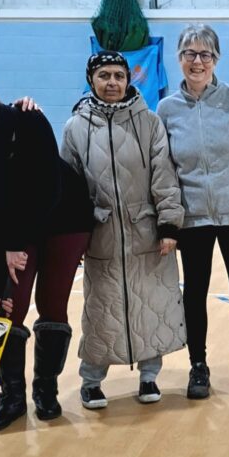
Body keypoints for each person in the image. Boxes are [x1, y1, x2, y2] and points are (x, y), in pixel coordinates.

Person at [0, 60, 94, 430]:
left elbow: (48, 191)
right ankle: (11, 397)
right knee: (6, 311)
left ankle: (46, 389)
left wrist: (16, 242)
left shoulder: (28, 121)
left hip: (65, 220)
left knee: (52, 305)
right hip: (15, 235)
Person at [60, 52, 185, 409]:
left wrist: (169, 224)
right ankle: (91, 381)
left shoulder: (149, 122)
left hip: (146, 234)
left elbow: (164, 176)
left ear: (129, 79)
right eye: (104, 76)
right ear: (92, 80)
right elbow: (68, 188)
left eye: (118, 75)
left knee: (151, 305)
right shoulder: (75, 128)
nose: (112, 82)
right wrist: (77, 233)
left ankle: (149, 376)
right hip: (101, 237)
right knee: (101, 310)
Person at [157, 24, 229, 400]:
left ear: (216, 60)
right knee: (194, 294)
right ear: (179, 59)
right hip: (192, 219)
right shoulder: (166, 109)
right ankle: (198, 366)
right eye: (190, 53)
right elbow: (164, 171)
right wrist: (169, 221)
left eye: (205, 54)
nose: (197, 61)